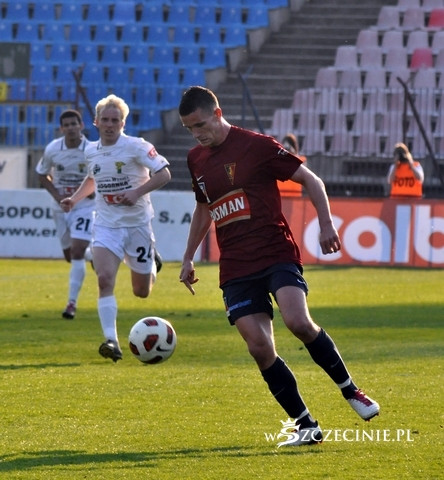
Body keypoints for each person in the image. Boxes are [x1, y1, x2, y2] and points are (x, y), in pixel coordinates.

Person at [178, 86, 379, 446]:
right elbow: (204, 208)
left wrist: (327, 225)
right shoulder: (196, 159)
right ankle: (306, 426)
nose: (196, 134)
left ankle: (351, 391)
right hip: (236, 266)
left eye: (200, 125)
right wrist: (189, 256)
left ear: (217, 114)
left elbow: (311, 180)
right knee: (259, 347)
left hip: (275, 252)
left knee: (298, 321)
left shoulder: (256, 146)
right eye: (189, 128)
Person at [61, 95, 171, 362]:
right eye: (105, 120)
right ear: (96, 122)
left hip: (137, 225)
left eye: (115, 120)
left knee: (141, 292)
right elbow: (93, 178)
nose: (110, 125)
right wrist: (74, 199)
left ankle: (152, 263)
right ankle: (112, 341)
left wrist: (137, 192)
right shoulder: (91, 151)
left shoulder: (137, 146)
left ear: (123, 123)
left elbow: (164, 173)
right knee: (104, 279)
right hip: (106, 225)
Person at [36, 109, 94, 320]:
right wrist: (57, 195)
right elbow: (41, 174)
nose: (70, 128)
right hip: (60, 207)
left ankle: (71, 303)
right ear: (61, 129)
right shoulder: (53, 149)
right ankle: (93, 255)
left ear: (81, 126)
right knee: (70, 256)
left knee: (77, 251)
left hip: (84, 206)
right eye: (66, 125)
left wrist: (90, 191)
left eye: (74, 124)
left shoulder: (91, 150)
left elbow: (100, 176)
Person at [277, 133, 306, 197]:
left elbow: (304, 174)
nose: (288, 150)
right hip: (281, 194)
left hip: (295, 195)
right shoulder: (279, 161)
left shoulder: (301, 160)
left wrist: (293, 153)